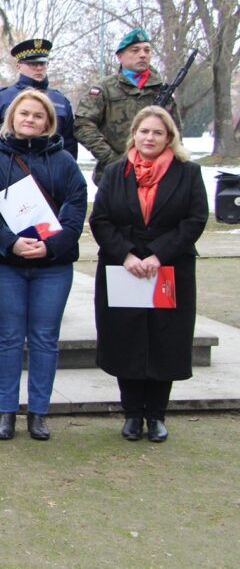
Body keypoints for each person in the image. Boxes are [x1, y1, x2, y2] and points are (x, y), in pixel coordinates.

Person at [90, 106, 206, 443]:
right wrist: (126, 254)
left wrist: (159, 254)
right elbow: (100, 220)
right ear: (134, 134)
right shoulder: (116, 172)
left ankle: (156, 415)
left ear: (169, 137)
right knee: (126, 339)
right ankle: (131, 414)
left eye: (157, 132)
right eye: (144, 131)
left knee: (164, 340)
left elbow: (195, 219)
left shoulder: (188, 173)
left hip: (169, 269)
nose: (150, 138)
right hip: (123, 268)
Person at [0, 91, 87, 441]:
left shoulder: (65, 162)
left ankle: (38, 412)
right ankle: (6, 412)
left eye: (38, 115)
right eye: (24, 113)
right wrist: (10, 243)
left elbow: (75, 209)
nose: (30, 119)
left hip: (52, 266)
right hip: (4, 265)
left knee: (44, 339)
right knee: (7, 339)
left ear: (48, 123)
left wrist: (50, 246)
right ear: (11, 118)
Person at [75, 28, 179, 184]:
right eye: (135, 50)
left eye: (147, 50)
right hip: (115, 177)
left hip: (156, 175)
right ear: (120, 56)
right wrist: (111, 158)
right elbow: (82, 125)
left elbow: (175, 132)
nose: (142, 55)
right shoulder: (105, 89)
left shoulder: (162, 91)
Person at [0, 38, 77, 158]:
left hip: (51, 165)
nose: (39, 68)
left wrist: (65, 166)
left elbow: (69, 144)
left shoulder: (60, 101)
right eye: (32, 64)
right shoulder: (0, 99)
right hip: (9, 165)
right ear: (18, 66)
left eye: (42, 63)